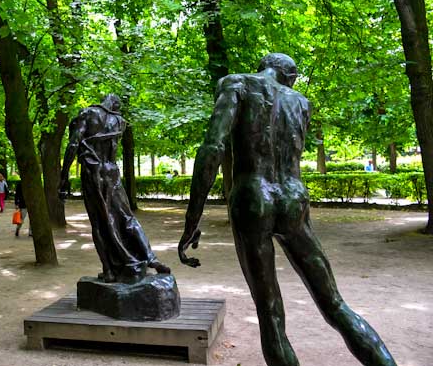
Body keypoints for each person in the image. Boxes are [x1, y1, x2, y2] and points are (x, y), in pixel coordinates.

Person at [179, 53, 396, 366]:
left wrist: (192, 218)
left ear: (264, 67)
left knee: (270, 313)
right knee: (334, 304)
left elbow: (213, 147)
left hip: (254, 197)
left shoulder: (236, 83)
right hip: (293, 198)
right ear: (290, 77)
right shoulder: (301, 103)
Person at [59, 94, 170, 283]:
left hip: (93, 172)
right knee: (127, 217)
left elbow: (73, 144)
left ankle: (109, 270)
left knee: (99, 223)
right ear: (116, 105)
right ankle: (151, 258)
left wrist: (63, 177)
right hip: (112, 171)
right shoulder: (120, 122)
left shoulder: (88, 113)